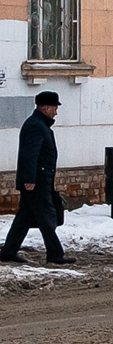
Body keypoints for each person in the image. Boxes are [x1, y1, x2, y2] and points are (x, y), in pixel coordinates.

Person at [1, 91, 74, 266]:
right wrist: (29, 180)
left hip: (38, 180)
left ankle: (9, 252)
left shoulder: (39, 124)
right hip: (37, 182)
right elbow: (29, 155)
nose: (56, 112)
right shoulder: (36, 126)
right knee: (47, 217)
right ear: (46, 107)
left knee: (24, 217)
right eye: (55, 108)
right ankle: (55, 254)